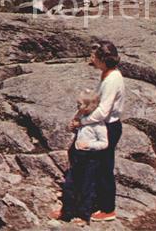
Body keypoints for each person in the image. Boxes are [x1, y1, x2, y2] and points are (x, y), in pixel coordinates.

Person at [72, 41, 124, 223]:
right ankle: (94, 201)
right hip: (103, 124)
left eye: (94, 56)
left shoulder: (112, 80)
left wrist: (83, 122)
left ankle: (108, 208)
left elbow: (103, 110)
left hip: (108, 127)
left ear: (103, 59)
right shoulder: (108, 74)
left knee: (103, 168)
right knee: (99, 165)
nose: (91, 58)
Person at [50, 91, 108, 225]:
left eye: (79, 104)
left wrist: (88, 145)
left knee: (87, 186)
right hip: (77, 157)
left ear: (88, 106)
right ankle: (66, 212)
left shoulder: (98, 125)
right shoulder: (81, 118)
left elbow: (104, 143)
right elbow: (78, 132)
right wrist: (73, 128)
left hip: (90, 159)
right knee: (70, 184)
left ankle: (83, 215)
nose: (77, 105)